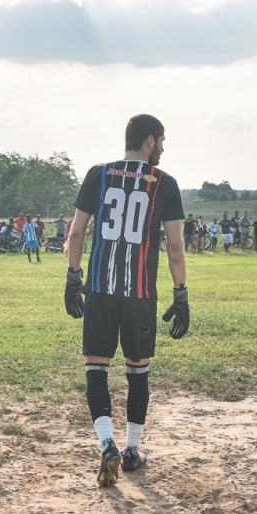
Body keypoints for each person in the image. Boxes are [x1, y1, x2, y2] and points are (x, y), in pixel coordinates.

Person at [64, 114, 188, 487]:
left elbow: (76, 232)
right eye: (162, 141)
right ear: (149, 141)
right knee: (138, 371)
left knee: (96, 369)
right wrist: (180, 294)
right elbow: (176, 247)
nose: (163, 149)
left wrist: (73, 277)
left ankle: (107, 444)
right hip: (140, 294)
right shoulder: (164, 184)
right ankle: (133, 450)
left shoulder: (97, 174)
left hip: (101, 289)